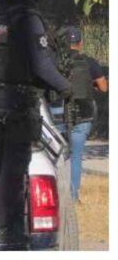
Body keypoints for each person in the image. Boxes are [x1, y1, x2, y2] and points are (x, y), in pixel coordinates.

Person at [0, 0, 71, 243]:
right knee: (14, 169)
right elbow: (42, 66)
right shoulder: (28, 19)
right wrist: (66, 87)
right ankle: (2, 229)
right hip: (18, 104)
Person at [53, 26, 108, 201]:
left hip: (58, 114)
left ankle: (54, 194)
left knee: (57, 155)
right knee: (76, 156)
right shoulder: (89, 62)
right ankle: (72, 196)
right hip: (83, 115)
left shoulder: (56, 62)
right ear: (81, 43)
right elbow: (104, 87)